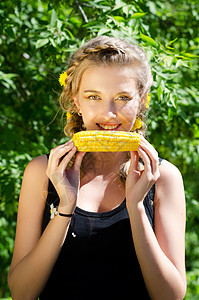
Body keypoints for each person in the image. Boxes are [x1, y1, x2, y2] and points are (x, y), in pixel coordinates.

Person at [8, 36, 186, 300]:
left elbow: (170, 296)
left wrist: (136, 206)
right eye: (93, 97)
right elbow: (22, 292)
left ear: (142, 101)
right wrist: (65, 207)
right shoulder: (41, 172)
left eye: (123, 97)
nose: (109, 114)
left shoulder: (162, 178)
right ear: (76, 101)